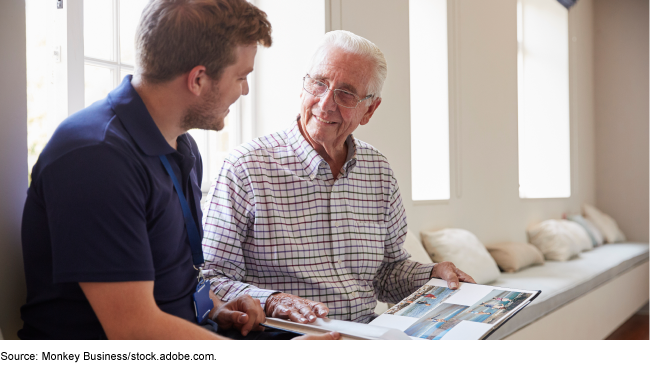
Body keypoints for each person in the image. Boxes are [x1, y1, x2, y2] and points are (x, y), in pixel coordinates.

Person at [19, 0, 336, 340]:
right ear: (198, 79)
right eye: (241, 77)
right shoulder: (95, 159)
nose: (244, 90)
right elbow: (133, 331)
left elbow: (172, 276)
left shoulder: (181, 146)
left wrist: (215, 307)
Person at [201, 30, 475, 325]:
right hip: (289, 338)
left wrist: (431, 274)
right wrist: (272, 301)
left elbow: (385, 273)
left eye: (345, 93)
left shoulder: (378, 171)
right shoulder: (245, 168)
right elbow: (211, 279)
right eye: (318, 83)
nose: (325, 103)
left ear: (369, 109)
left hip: (367, 335)